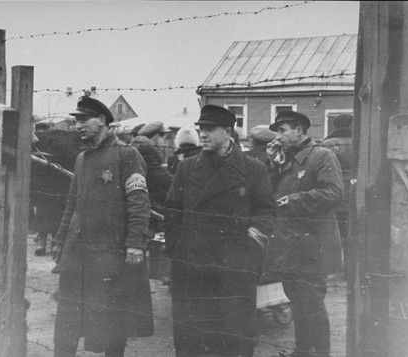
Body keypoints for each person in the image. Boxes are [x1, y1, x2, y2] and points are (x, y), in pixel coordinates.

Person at [165, 104, 277, 357]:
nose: (202, 134)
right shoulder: (187, 168)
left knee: (232, 339)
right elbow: (172, 211)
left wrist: (247, 253)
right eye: (201, 129)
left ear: (228, 132)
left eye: (210, 129)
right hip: (192, 268)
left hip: (233, 270)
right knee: (194, 339)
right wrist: (177, 252)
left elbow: (266, 213)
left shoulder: (253, 169)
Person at [52, 96, 154, 357]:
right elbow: (71, 205)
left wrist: (135, 244)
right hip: (78, 254)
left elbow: (139, 204)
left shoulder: (127, 155)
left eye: (84, 120)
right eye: (76, 121)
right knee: (68, 322)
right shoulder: (82, 158)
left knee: (112, 325)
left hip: (110, 255)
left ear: (103, 121)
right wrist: (60, 241)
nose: (78, 126)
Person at [267, 110, 344, 357]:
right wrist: (272, 164)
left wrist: (295, 199)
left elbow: (334, 193)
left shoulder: (322, 156)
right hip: (290, 245)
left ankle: (321, 353)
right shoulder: (285, 160)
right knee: (297, 300)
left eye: (282, 130)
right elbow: (269, 193)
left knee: (312, 303)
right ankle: (302, 351)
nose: (277, 136)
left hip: (312, 246)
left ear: (298, 130)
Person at [322, 114, 353, 277]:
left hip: (335, 190)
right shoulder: (360, 140)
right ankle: (350, 269)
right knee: (351, 231)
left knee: (333, 231)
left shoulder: (328, 144)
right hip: (356, 191)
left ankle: (333, 269)